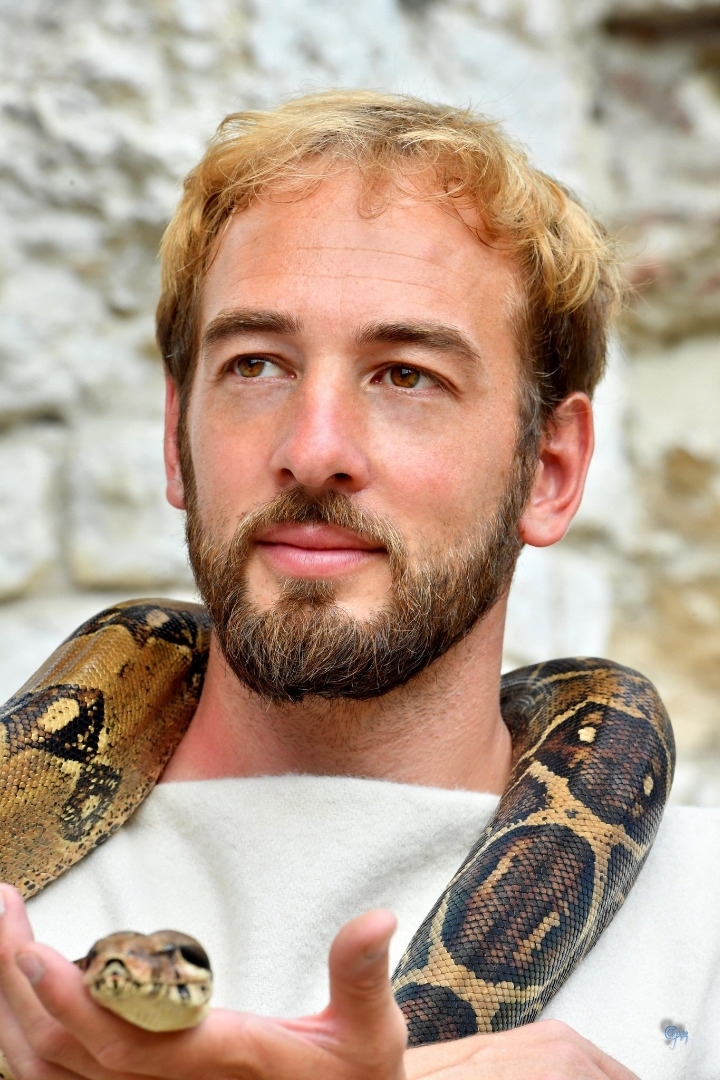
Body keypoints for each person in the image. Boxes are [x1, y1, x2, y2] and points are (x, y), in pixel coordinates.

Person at [0, 89, 718, 1080]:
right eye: (257, 364)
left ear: (549, 471)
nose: (313, 448)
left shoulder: (702, 927)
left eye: (406, 375)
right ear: (174, 441)